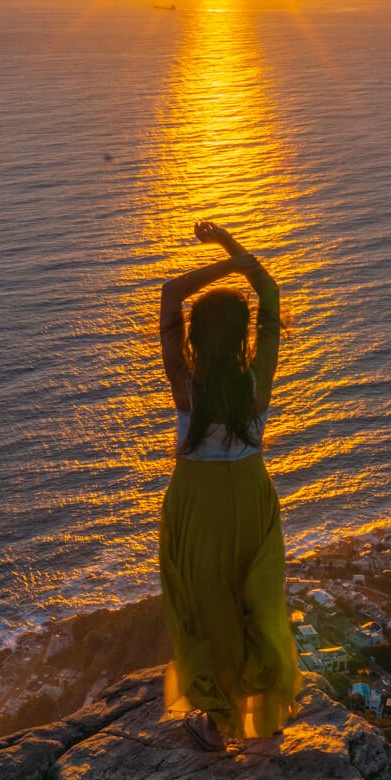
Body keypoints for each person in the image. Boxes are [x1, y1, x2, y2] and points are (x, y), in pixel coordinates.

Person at [157, 220, 300, 752]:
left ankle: (217, 724)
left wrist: (222, 263)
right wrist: (237, 251)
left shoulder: (186, 383)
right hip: (251, 491)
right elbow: (270, 292)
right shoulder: (256, 382)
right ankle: (269, 718)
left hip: (200, 499)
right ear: (242, 334)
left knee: (206, 605)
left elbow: (172, 292)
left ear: (195, 334)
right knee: (257, 600)